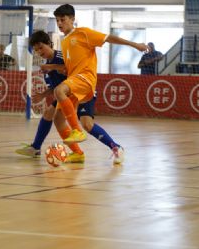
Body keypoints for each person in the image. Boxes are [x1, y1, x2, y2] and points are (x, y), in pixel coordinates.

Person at [15, 30, 124, 164]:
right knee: (53, 116)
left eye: (41, 47)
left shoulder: (62, 56)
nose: (39, 52)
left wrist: (52, 66)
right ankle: (69, 152)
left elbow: (70, 69)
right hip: (67, 95)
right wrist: (43, 95)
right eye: (36, 50)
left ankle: (115, 147)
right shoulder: (46, 69)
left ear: (50, 43)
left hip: (82, 91)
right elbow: (55, 88)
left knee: (87, 124)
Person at [52, 4, 149, 145]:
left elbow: (109, 38)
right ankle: (80, 154)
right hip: (74, 81)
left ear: (72, 19)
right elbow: (71, 66)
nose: (60, 23)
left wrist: (135, 45)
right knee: (59, 119)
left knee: (59, 90)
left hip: (85, 79)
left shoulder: (83, 33)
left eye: (63, 19)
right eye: (57, 21)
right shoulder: (65, 41)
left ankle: (76, 131)